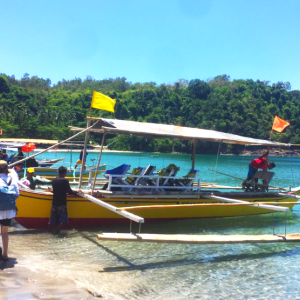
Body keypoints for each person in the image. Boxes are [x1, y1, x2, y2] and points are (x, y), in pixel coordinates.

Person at [49, 166, 80, 234]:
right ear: (64, 173)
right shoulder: (65, 181)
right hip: (62, 204)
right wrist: (77, 192)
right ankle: (57, 233)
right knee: (61, 221)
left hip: (54, 203)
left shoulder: (54, 180)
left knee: (53, 220)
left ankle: (52, 233)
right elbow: (70, 192)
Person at [0, 160, 19, 261]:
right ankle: (5, 254)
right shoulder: (12, 179)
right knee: (4, 232)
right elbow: (16, 195)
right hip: (9, 209)